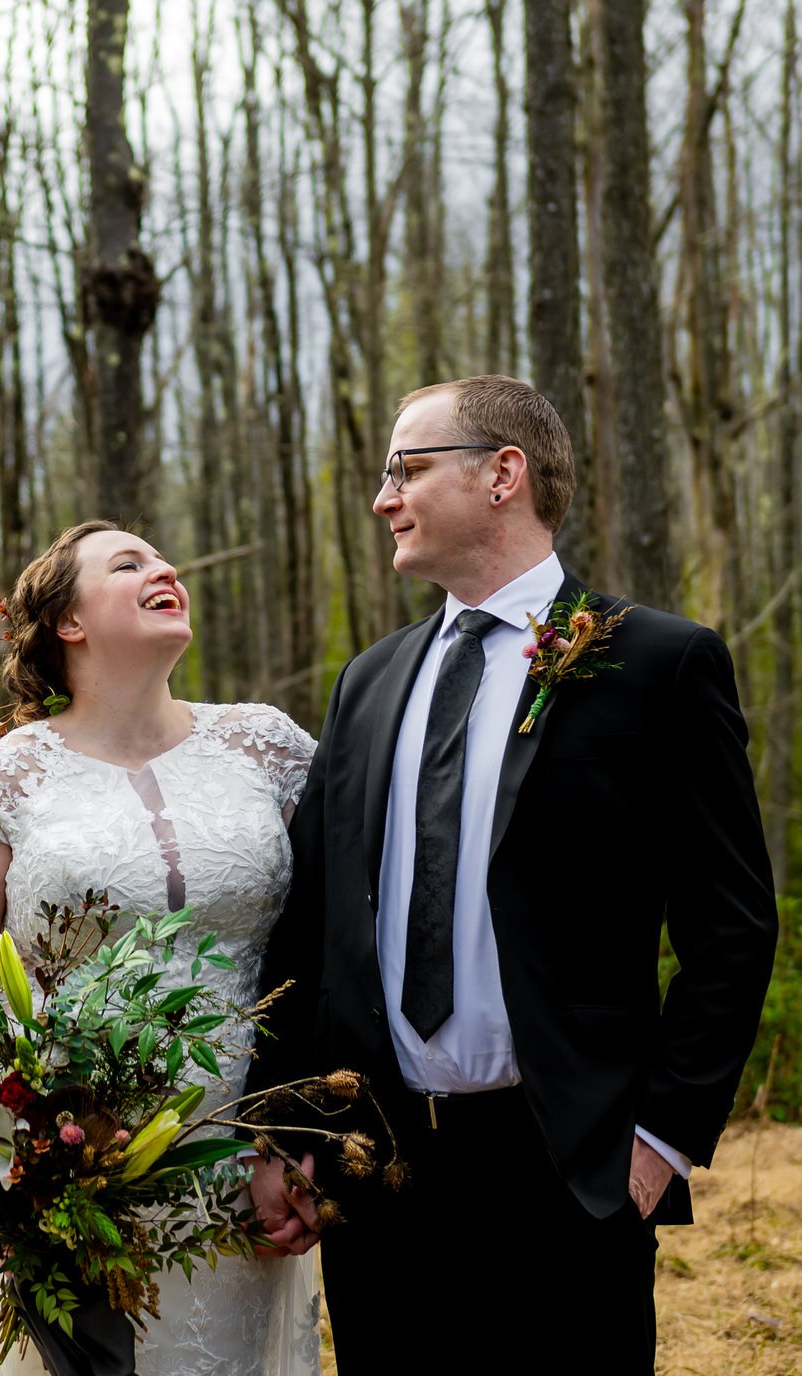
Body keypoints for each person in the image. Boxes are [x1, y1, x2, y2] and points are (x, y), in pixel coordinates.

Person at [249, 375, 778, 1375]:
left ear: (503, 473)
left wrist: (660, 1138)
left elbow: (733, 928)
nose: (382, 497)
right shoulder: (369, 680)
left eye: (407, 468)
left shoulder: (659, 664)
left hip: (571, 1162)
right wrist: (289, 1128)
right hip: (383, 1167)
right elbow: (312, 924)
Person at [0, 519, 321, 1376]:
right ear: (68, 622)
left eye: (164, 557)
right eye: (128, 562)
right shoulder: (5, 775)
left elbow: (325, 949)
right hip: (69, 1173)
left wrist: (291, 1139)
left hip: (244, 1164)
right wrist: (25, 1165)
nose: (166, 566)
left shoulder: (268, 747)